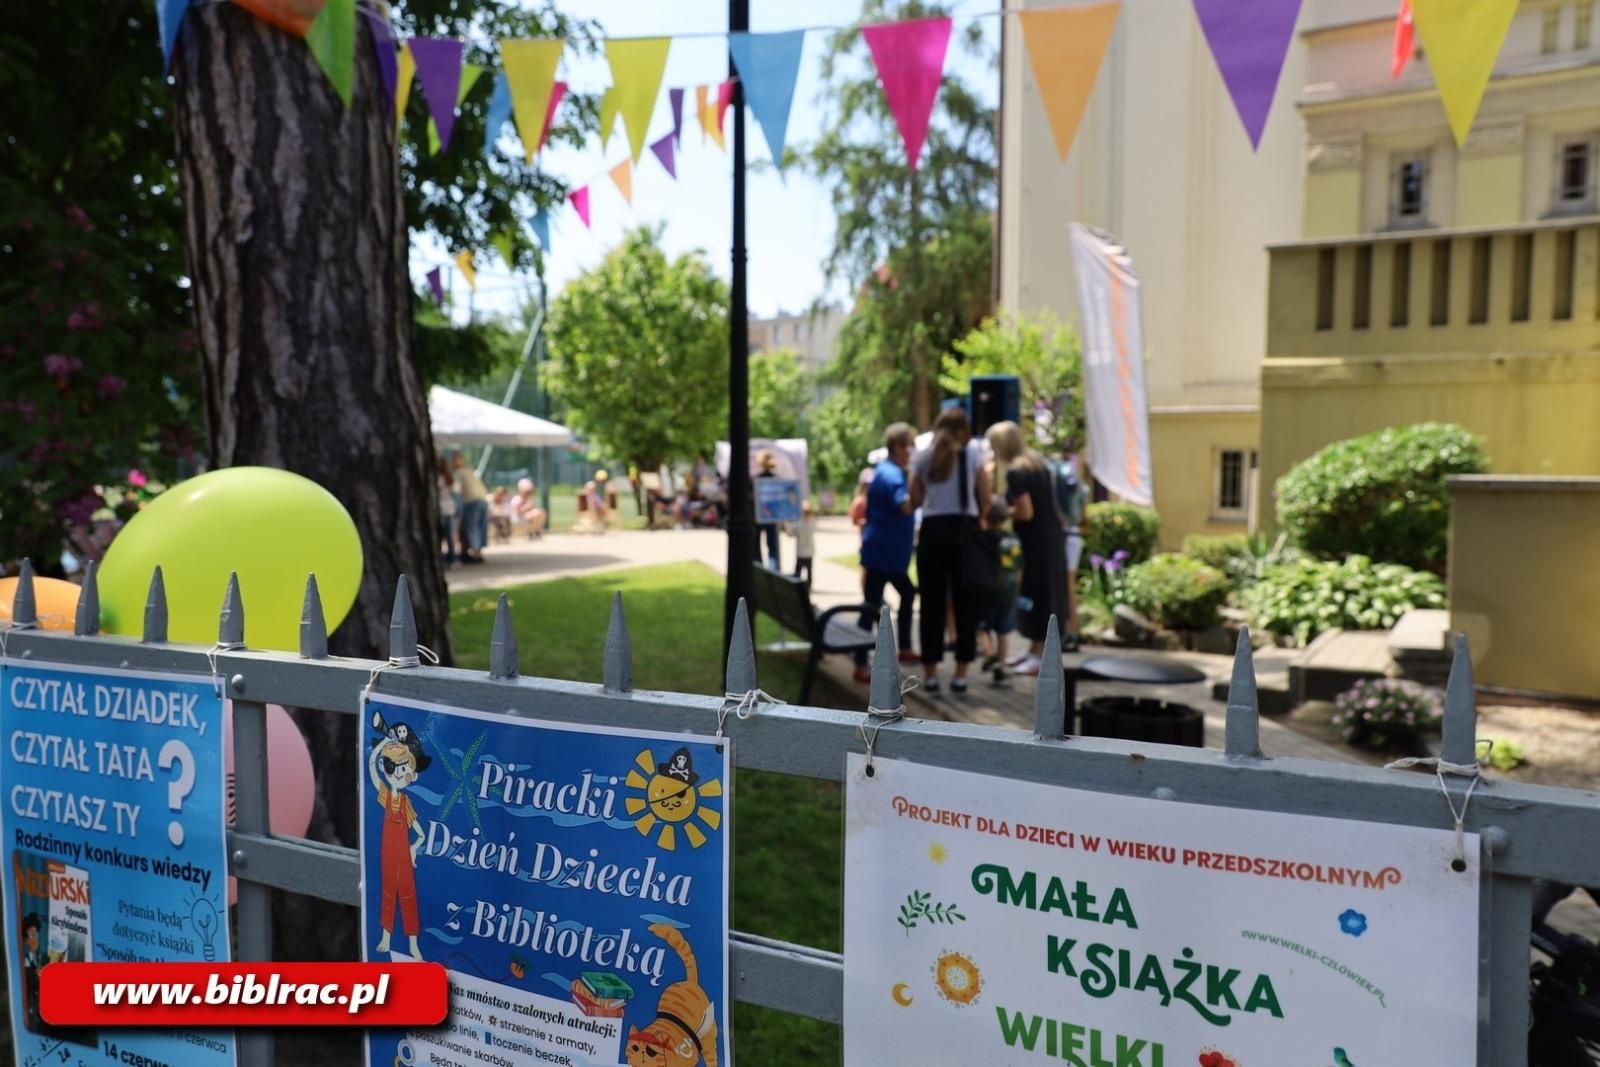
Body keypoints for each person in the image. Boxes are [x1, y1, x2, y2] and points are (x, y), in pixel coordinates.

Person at [910, 408, 990, 694]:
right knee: (965, 603)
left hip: (933, 532)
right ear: (963, 430)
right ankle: (960, 676)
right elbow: (986, 498)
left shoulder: (921, 457)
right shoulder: (972, 456)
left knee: (931, 604)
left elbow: (915, 500)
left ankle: (931, 675)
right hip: (963, 532)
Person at [986, 421, 1067, 675]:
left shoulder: (1016, 471)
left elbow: (1025, 512)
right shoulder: (1036, 464)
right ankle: (1035, 649)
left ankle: (1038, 653)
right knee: (1045, 592)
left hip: (1035, 541)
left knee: (1036, 593)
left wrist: (1000, 510)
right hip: (1050, 537)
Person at [855, 425, 921, 684]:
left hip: (887, 554)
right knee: (871, 606)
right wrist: (917, 480)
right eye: (909, 447)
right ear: (897, 447)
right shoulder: (893, 475)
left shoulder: (885, 471)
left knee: (904, 593)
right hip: (883, 554)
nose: (911, 453)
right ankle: (861, 662)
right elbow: (904, 507)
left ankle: (903, 648)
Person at [978, 496, 1022, 687]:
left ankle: (989, 655)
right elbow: (1019, 567)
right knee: (1003, 630)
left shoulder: (984, 538)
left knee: (981, 626)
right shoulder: (1013, 539)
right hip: (1009, 588)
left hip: (989, 589)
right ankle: (1002, 665)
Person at [1058, 454, 1089, 651]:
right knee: (1068, 586)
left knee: (1067, 586)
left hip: (1066, 535)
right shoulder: (1081, 486)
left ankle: (1071, 633)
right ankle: (1071, 632)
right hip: (1074, 534)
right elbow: (1085, 519)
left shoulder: (1063, 482)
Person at [451, 451, 489, 564]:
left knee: (472, 527)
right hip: (483, 499)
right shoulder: (470, 471)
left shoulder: (458, 473)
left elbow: (456, 490)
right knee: (480, 526)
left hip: (471, 501)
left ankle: (476, 552)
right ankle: (478, 551)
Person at [754, 450, 781, 570]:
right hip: (772, 517)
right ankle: (772, 572)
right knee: (773, 548)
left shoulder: (755, 479)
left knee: (756, 548)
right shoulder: (777, 479)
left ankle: (760, 572)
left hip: (759, 517)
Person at [435, 456, 458, 566]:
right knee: (448, 535)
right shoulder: (449, 478)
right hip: (449, 508)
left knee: (441, 535)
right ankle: (451, 558)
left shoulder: (439, 478)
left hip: (442, 508)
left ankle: (445, 559)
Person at [790, 500, 817, 585]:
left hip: (801, 552)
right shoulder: (813, 522)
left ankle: (798, 586)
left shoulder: (799, 523)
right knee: (809, 570)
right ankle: (809, 586)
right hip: (809, 551)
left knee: (798, 571)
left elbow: (790, 533)